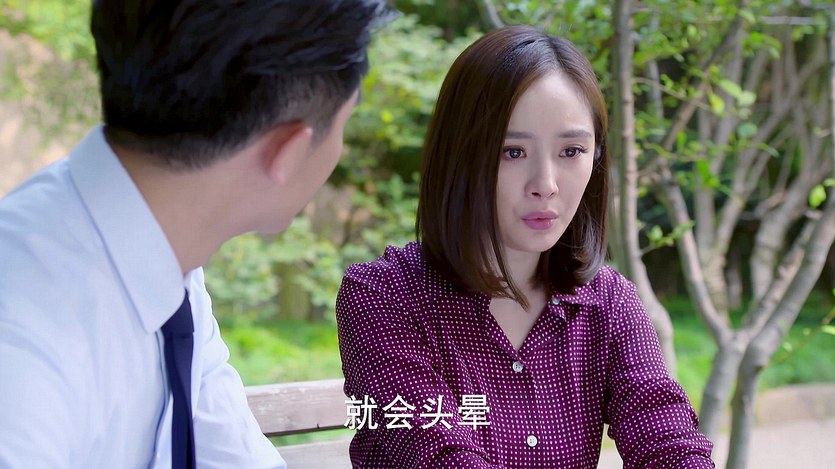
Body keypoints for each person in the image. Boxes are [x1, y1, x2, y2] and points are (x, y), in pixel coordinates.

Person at [0, 1, 395, 467]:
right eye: (344, 125)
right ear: (287, 151)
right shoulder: (21, 331)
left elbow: (230, 451)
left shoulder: (168, 260)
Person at [336, 25, 715, 468]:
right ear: (458, 155)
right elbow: (440, 456)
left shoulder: (609, 305)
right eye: (512, 152)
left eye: (571, 151)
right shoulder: (383, 298)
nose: (546, 184)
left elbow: (666, 439)